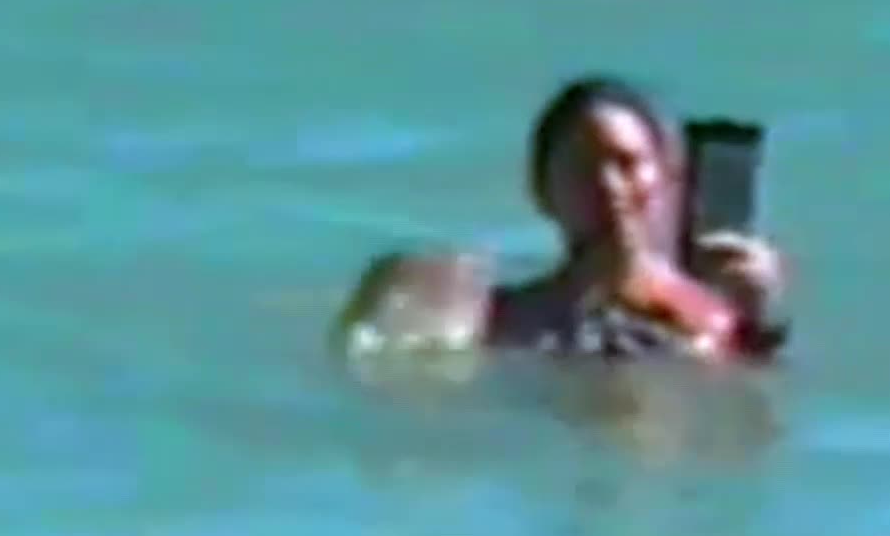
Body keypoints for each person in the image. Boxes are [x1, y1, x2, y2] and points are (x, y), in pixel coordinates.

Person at [333, 75, 789, 366]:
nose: (609, 186)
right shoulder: (503, 317)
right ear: (541, 190)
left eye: (627, 164)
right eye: (584, 167)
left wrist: (755, 327)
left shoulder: (720, 322)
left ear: (667, 179)